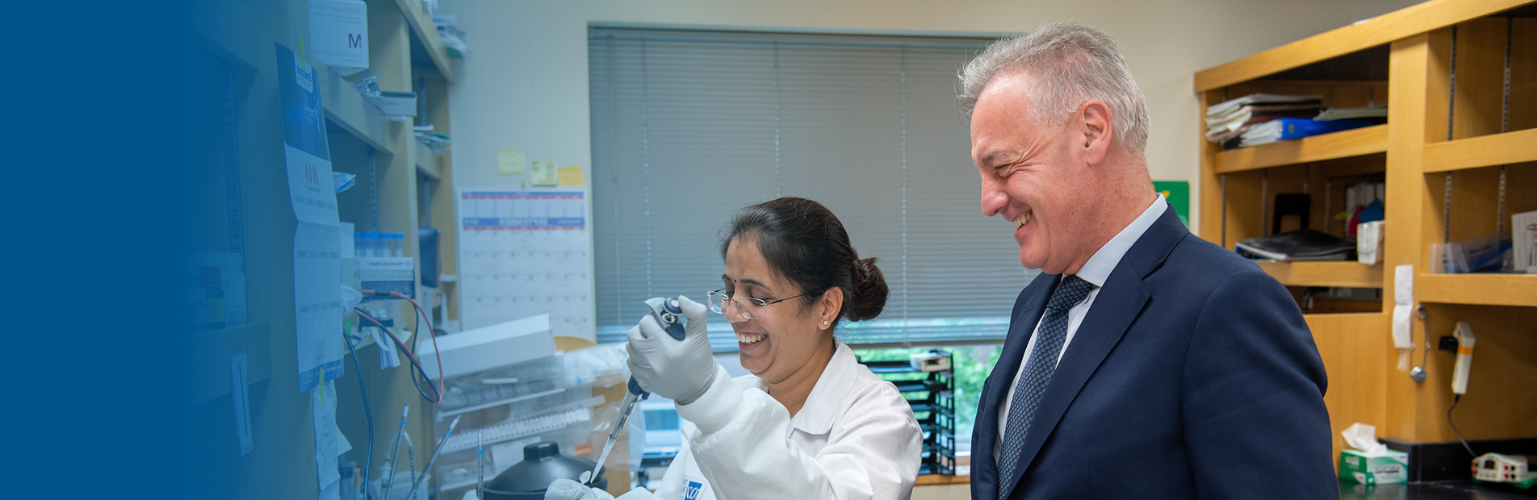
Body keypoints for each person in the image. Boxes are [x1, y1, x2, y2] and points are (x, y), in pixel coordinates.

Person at [958, 23, 1336, 500]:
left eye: (1003, 167)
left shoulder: (1228, 305)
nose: (989, 202)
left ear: (1092, 133)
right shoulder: (1037, 303)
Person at [547, 197, 921, 500]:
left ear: (825, 307)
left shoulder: (880, 419)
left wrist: (709, 400)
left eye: (757, 297)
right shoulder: (733, 401)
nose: (730, 312)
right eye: (729, 291)